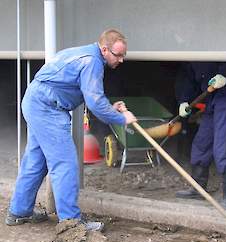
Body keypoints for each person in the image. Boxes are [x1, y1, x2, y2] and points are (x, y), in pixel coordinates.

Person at [6, 29, 137, 229]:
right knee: (65, 164)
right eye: (118, 55)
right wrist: (121, 118)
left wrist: (110, 108)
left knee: (36, 160)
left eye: (123, 55)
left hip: (36, 101)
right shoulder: (92, 62)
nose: (121, 60)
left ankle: (19, 212)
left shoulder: (85, 54)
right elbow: (94, 103)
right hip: (47, 108)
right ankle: (71, 223)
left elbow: (92, 98)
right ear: (104, 49)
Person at [175, 62, 226, 211]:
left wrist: (224, 73)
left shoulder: (212, 41)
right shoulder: (190, 53)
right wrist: (183, 100)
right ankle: (198, 188)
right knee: (201, 142)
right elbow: (188, 78)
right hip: (210, 98)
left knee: (221, 147)